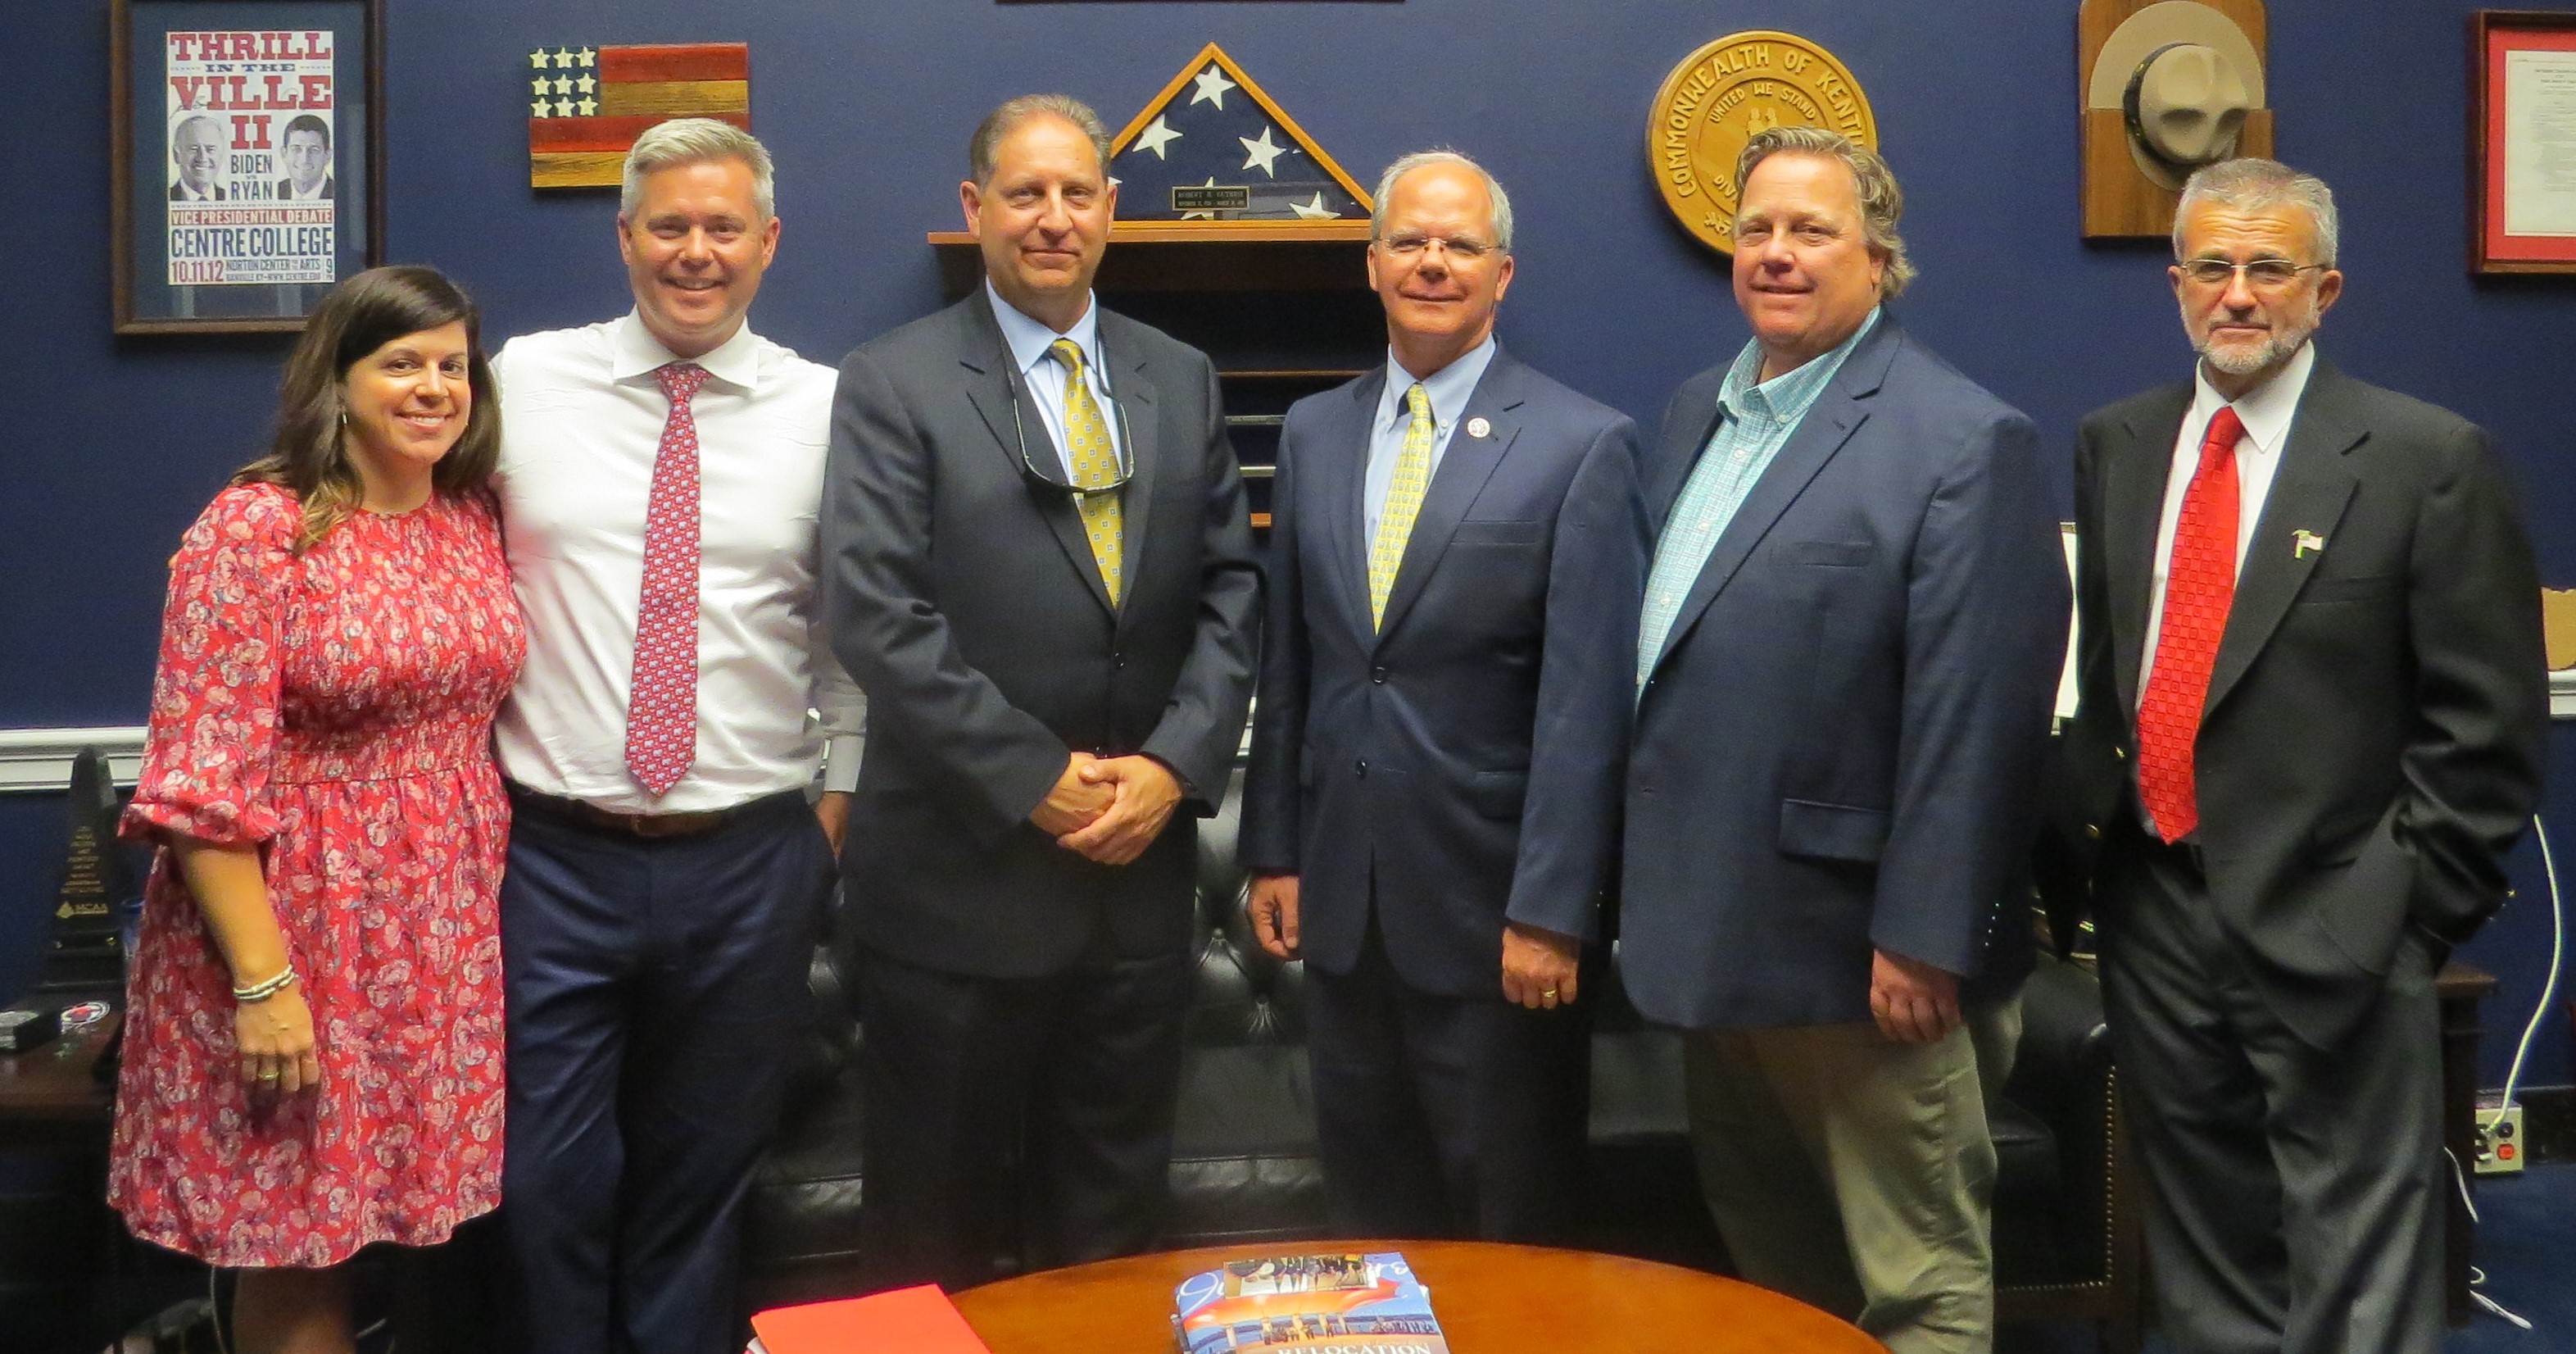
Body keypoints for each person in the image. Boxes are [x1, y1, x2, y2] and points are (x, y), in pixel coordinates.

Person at [2060, 157, 2546, 1354]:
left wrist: (2404, 917)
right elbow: (2115, 672)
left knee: (2359, 1265)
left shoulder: (2426, 458)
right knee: (2203, 1245)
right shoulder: (2117, 442)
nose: (2239, 294)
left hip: (2341, 919)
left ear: (2324, 290)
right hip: (2158, 910)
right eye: (2213, 267)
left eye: (2269, 268)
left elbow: (2487, 730)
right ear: (2176, 284)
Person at [1617, 125, 2065, 1354]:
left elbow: (1979, 718)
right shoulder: (1693, 417)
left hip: (1866, 964)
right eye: (1756, 229)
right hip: (1715, 938)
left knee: (1914, 1283)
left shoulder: (1964, 438)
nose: (1777, 253)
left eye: (1811, 230)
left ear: (1878, 258)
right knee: (1774, 1273)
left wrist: (1924, 938)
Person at [821, 93, 1259, 1290]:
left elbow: (1234, 594)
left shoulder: (1181, 375)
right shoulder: (893, 381)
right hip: (959, 894)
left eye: (1077, 194)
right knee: (935, 1237)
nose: (1054, 219)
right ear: (976, 210)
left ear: (1111, 209)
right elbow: (876, 612)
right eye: (1026, 194)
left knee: (1113, 1234)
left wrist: (1173, 767)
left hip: (1136, 887)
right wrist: (1034, 780)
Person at [489, 118, 861, 1354]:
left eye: (722, 229)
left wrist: (830, 818)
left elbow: (853, 641)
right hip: (550, 857)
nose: (694, 253)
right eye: (669, 226)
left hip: (750, 859)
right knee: (543, 1182)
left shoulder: (829, 408)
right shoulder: (519, 383)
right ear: (625, 238)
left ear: (767, 244)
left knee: (700, 1186)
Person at [109, 264, 521, 1354]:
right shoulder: (257, 531)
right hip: (295, 933)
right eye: (401, 365)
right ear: (335, 381)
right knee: (294, 1242)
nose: (433, 387)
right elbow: (200, 788)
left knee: (392, 1232)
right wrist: (265, 983)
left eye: (452, 365)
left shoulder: (471, 520)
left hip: (433, 942)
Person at [1238, 150, 1641, 1242]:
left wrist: (1553, 914)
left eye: (1459, 245)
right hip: (1344, 907)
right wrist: (1275, 851)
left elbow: (1585, 706)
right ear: (1371, 265)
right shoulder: (1314, 434)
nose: (1432, 263)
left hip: (1497, 921)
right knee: (1371, 1219)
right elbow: (1296, 662)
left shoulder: (1583, 443)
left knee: (1510, 1222)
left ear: (1502, 275)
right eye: (1409, 242)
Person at [170, 113, 225, 201]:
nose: (202, 158)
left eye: (210, 149)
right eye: (194, 149)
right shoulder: (163, 198)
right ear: (177, 155)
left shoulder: (234, 198)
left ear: (221, 155)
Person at [279, 115, 333, 200]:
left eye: (314, 150)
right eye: (296, 149)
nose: (304, 160)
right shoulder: (276, 191)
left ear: (327, 156)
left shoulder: (342, 192)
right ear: (284, 154)